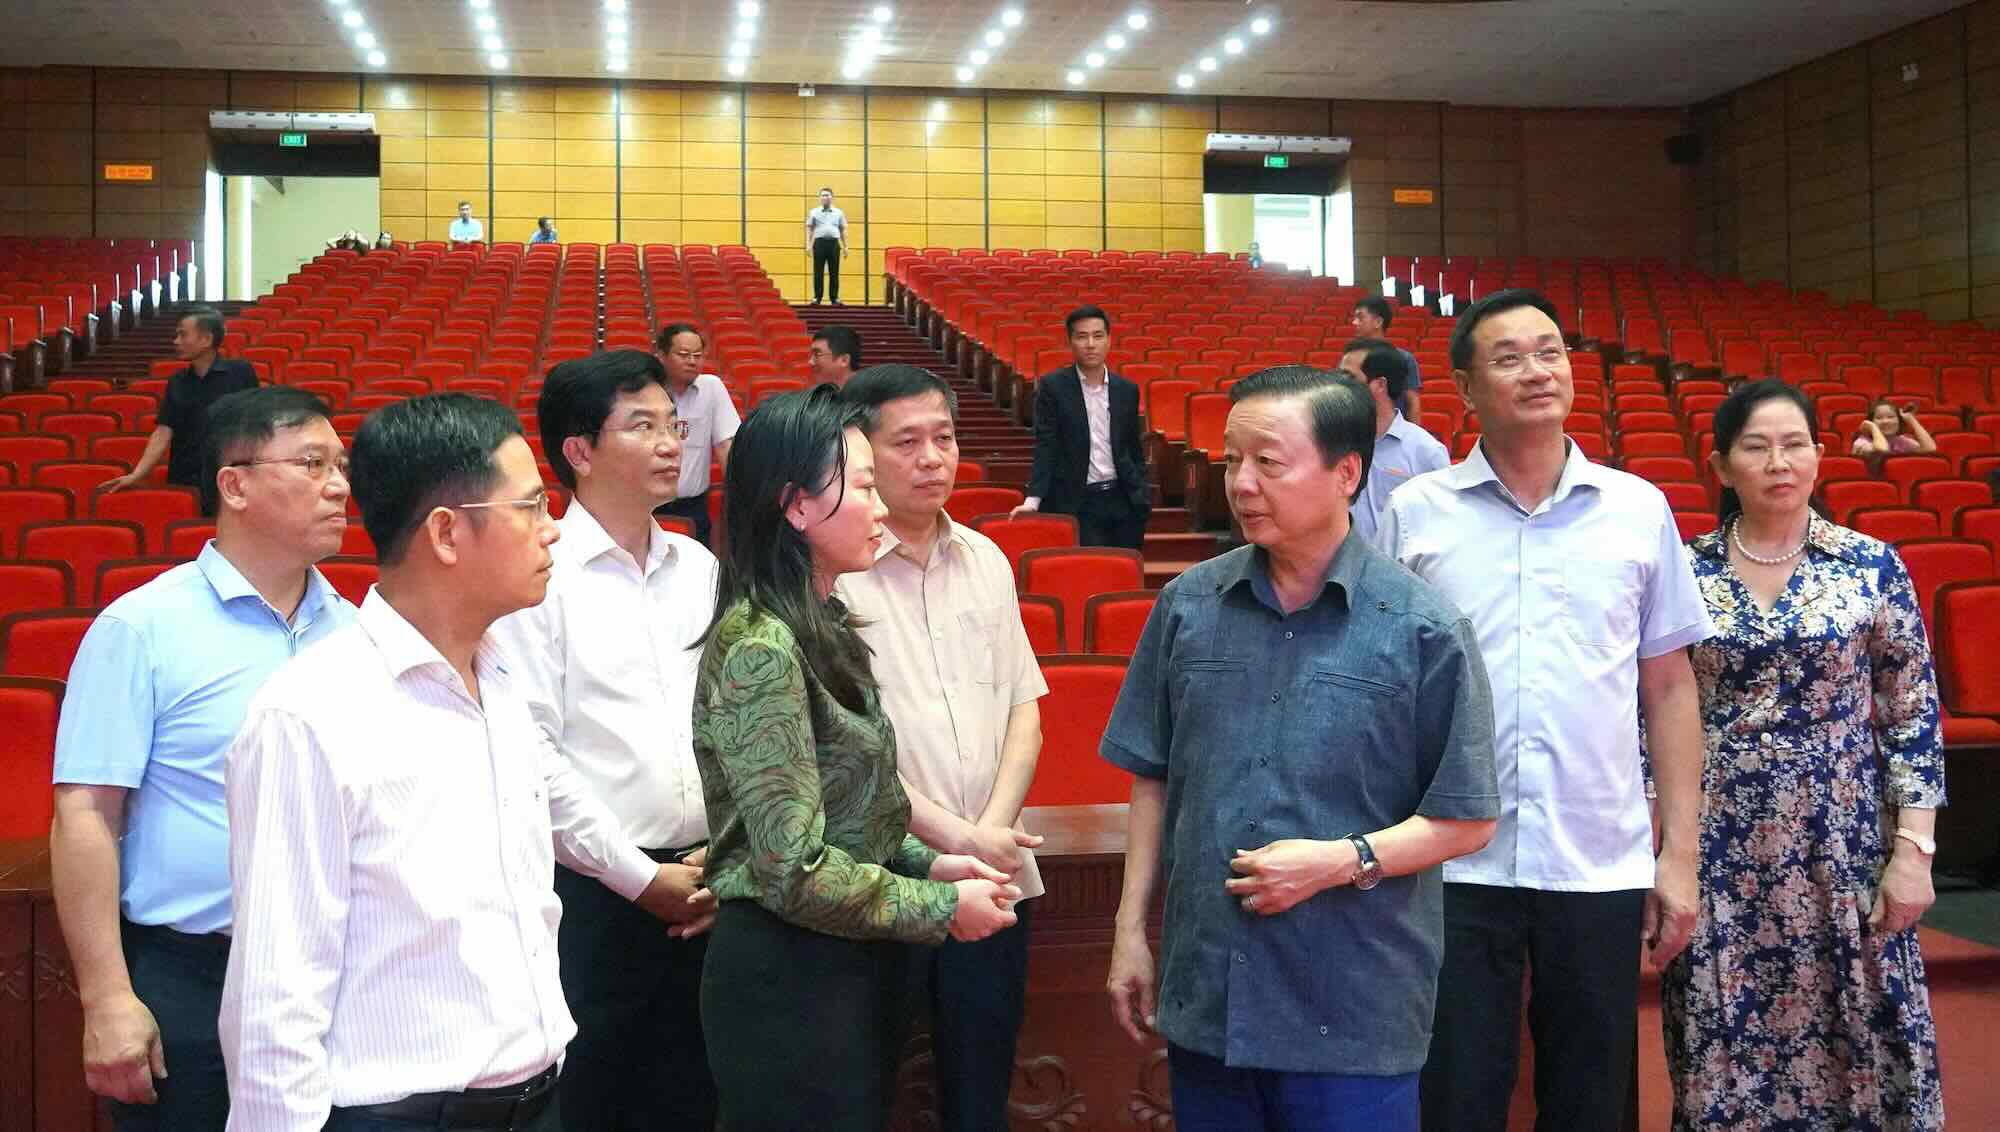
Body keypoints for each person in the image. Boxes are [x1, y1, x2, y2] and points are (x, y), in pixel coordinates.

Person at [218, 394, 703, 1132]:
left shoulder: (500, 680)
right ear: (446, 533)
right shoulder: (312, 713)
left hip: (537, 1098)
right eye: (530, 507)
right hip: (400, 1115)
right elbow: (275, 1000)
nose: (551, 530)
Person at [1101, 365, 1499, 1132]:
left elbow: (1467, 818)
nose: (1242, 484)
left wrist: (1340, 861)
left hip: (1353, 1007)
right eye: (1232, 461)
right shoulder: (1188, 606)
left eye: (1268, 462)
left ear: (1346, 473)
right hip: (1211, 996)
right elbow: (1152, 778)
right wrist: (1128, 935)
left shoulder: (1423, 629)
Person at [1375, 289, 1714, 1132]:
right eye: (1510, 358)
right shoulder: (1417, 513)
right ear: (1465, 387)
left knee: (1592, 1100)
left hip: (1596, 857)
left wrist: (1680, 855)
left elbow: (1670, 689)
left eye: (1550, 351)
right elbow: (1381, 687)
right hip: (1453, 859)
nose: (1537, 371)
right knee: (1454, 1096)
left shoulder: (1637, 509)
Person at [693, 385, 1021, 1132]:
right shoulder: (760, 647)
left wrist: (931, 863)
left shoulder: (823, 619)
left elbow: (855, 813)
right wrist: (941, 907)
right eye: (864, 487)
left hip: (844, 959)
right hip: (788, 974)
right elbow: (792, 868)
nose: (879, 509)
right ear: (796, 507)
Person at [49, 387, 356, 1132]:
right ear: (235, 485)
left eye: (341, 466)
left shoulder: (356, 633)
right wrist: (107, 998)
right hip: (190, 973)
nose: (339, 486)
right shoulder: (142, 627)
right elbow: (85, 814)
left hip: (335, 975)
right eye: (312, 464)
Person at [1663, 379, 1945, 1130]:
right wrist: (1664, 847)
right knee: (1723, 1033)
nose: (1778, 463)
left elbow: (1912, 715)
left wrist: (1914, 851)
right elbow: (1650, 712)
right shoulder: (1683, 571)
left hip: (1844, 841)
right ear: (1722, 465)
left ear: (1820, 456)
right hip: (1720, 844)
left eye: (1794, 445)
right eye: (1756, 447)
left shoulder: (1870, 566)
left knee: (1862, 1027)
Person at [488, 350, 721, 1131]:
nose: (670, 443)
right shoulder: (537, 575)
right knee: (597, 1103)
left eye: (674, 425)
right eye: (642, 426)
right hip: (591, 895)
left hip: (709, 884)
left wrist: (727, 854)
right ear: (579, 451)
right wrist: (638, 877)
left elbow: (731, 725)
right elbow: (531, 752)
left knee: (697, 1102)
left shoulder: (699, 567)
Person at [835, 365, 1048, 1132]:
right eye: (907, 442)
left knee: (980, 1092)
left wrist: (987, 834)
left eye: (945, 438)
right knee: (866, 1092)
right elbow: (845, 755)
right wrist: (956, 837)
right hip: (882, 876)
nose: (932, 458)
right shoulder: (836, 574)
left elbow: (1024, 710)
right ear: (860, 452)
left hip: (994, 876)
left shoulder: (987, 559)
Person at [1009, 305, 1151, 549]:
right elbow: (1046, 445)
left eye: (1098, 336)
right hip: (1079, 501)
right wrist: (1033, 499)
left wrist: (1141, 492)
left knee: (1127, 567)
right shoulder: (1053, 388)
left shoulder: (1126, 390)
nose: (1090, 344)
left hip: (1124, 500)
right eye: (1082, 336)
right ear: (1070, 341)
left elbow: (1133, 447)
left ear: (1109, 340)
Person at [104, 306, 259, 495]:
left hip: (229, 478)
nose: (176, 341)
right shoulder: (177, 381)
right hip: (184, 479)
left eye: (183, 335)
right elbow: (163, 431)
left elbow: (255, 426)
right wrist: (137, 474)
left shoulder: (241, 372)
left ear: (206, 339)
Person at [1338, 337, 1449, 543]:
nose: (1339, 386)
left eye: (1349, 378)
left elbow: (1443, 523)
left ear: (1380, 385)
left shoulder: (1426, 451)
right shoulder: (1331, 442)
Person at [652, 321, 741, 545]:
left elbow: (726, 446)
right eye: (683, 355)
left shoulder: (712, 388)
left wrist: (741, 495)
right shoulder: (645, 390)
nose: (692, 361)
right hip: (648, 505)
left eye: (698, 355)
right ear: (662, 356)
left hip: (693, 506)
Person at [1350, 296, 1423, 420]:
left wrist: (1411, 432)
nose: (1354, 322)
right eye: (1355, 318)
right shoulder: (1350, 360)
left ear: (1378, 322)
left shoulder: (1404, 358)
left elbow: (1413, 403)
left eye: (1360, 317)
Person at [1852, 397, 1938, 458]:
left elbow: (1930, 449)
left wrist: (1911, 420)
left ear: (1899, 421)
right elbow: (1881, 452)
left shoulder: (1900, 440)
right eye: (1879, 418)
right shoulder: (1862, 442)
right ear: (1871, 421)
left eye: (1891, 417)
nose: (1885, 421)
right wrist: (1872, 427)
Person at [807, 186, 849, 304]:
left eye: (827, 195)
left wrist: (845, 246)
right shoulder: (814, 212)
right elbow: (809, 229)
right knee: (818, 272)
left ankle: (834, 298)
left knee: (834, 272)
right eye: (823, 195)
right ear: (820, 198)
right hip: (819, 243)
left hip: (834, 244)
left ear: (832, 197)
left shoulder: (839, 212)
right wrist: (808, 245)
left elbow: (842, 230)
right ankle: (817, 297)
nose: (825, 197)